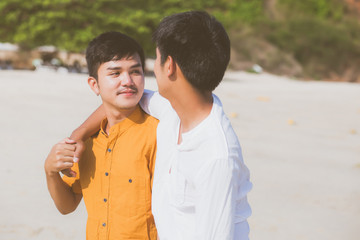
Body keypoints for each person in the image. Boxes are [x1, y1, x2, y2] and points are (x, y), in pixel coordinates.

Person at [71, 10, 252, 239]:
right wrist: (78, 134)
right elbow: (122, 99)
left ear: (169, 66)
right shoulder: (172, 111)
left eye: (156, 59)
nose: (153, 69)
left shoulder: (216, 156)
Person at [44, 31, 158, 239]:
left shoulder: (157, 134)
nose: (127, 81)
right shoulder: (86, 142)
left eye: (135, 71)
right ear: (94, 85)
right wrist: (50, 172)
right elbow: (67, 206)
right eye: (115, 73)